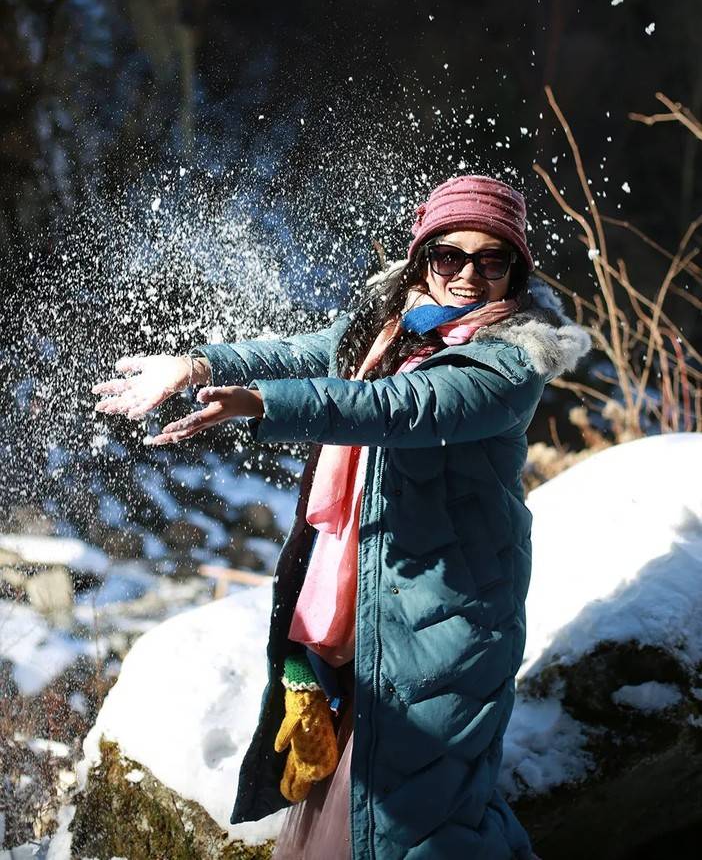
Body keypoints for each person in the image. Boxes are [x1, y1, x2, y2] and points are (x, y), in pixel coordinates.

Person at [93, 174, 590, 859]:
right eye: (450, 255)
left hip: (447, 614)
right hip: (370, 599)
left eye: (491, 260)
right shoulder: (394, 325)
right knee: (362, 807)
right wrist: (197, 365)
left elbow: (398, 408)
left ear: (516, 270)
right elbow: (305, 353)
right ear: (423, 258)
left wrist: (263, 403)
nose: (468, 275)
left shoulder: (510, 362)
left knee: (421, 822)